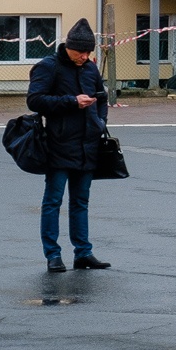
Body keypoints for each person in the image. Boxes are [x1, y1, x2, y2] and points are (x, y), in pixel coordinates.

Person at [27, 19, 109, 273]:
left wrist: (99, 122)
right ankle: (52, 255)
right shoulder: (48, 67)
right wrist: (71, 101)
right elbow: (34, 100)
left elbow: (102, 96)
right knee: (53, 200)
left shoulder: (90, 68)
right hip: (58, 143)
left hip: (88, 143)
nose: (84, 57)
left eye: (88, 53)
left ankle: (83, 253)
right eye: (80, 52)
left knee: (81, 201)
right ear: (68, 47)